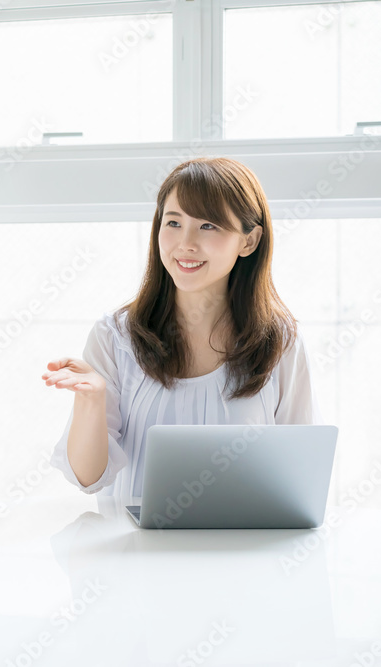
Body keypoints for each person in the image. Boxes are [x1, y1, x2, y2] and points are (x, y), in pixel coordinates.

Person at [43, 157, 321, 498]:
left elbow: (299, 474)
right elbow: (88, 478)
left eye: (208, 226)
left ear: (249, 241)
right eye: (173, 222)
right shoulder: (114, 337)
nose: (185, 243)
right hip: (131, 535)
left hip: (242, 534)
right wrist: (91, 400)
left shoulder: (280, 341)